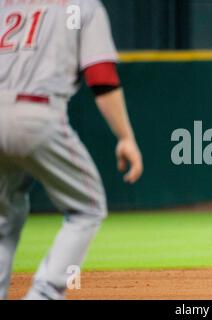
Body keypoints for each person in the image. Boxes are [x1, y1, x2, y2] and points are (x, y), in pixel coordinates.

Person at [0, 0, 143, 299]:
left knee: (3, 212)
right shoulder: (83, 8)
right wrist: (125, 137)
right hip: (35, 114)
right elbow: (101, 77)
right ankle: (44, 294)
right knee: (86, 208)